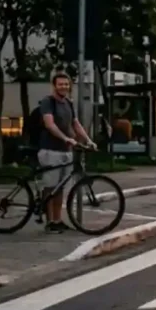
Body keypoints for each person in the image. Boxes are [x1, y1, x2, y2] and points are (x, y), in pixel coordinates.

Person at [38, 73, 95, 233]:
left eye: (66, 84)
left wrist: (88, 140)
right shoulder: (48, 102)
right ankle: (50, 221)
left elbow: (75, 124)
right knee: (50, 187)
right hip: (50, 150)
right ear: (54, 85)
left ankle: (58, 219)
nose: (64, 87)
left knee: (60, 188)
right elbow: (49, 124)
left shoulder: (68, 103)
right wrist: (65, 138)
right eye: (60, 84)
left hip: (66, 151)